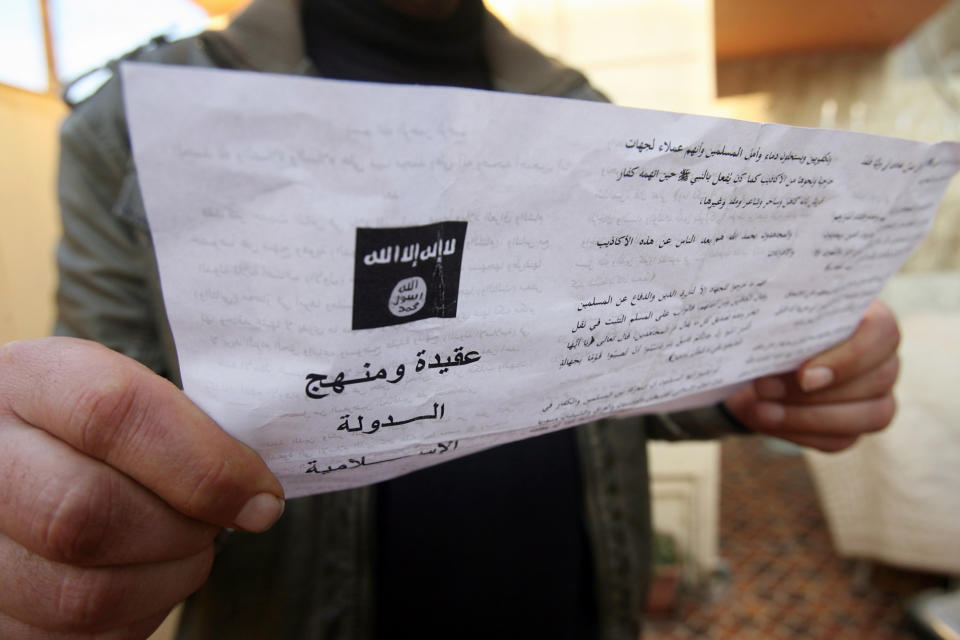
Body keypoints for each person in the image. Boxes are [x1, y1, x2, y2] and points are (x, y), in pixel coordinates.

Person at [0, 0, 901, 638]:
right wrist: (65, 485)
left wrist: (761, 377)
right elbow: (111, 403)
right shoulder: (134, 120)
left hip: (575, 601)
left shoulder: (581, 111)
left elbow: (614, 355)